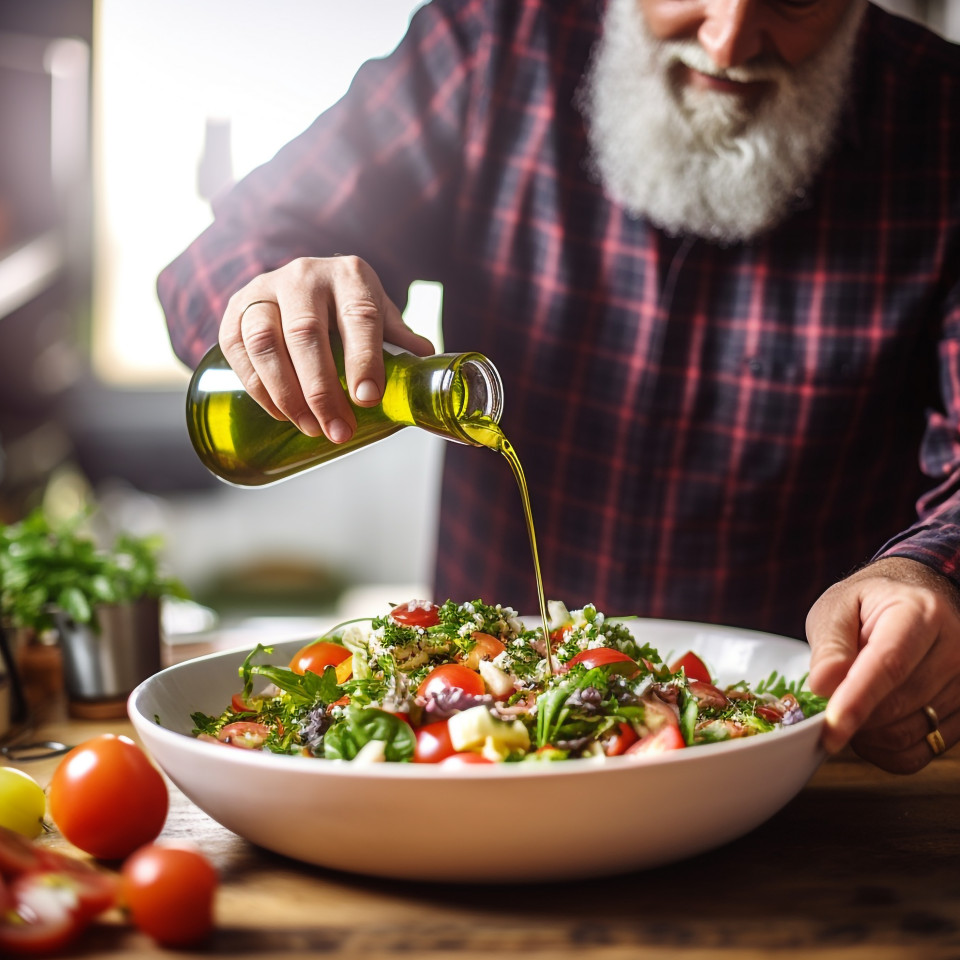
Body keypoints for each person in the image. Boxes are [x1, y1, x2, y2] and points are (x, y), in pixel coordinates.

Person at [158, 0, 960, 774]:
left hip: (800, 760)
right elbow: (221, 254)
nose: (728, 39)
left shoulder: (942, 120)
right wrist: (272, 300)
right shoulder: (494, 41)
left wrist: (932, 575)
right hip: (461, 775)